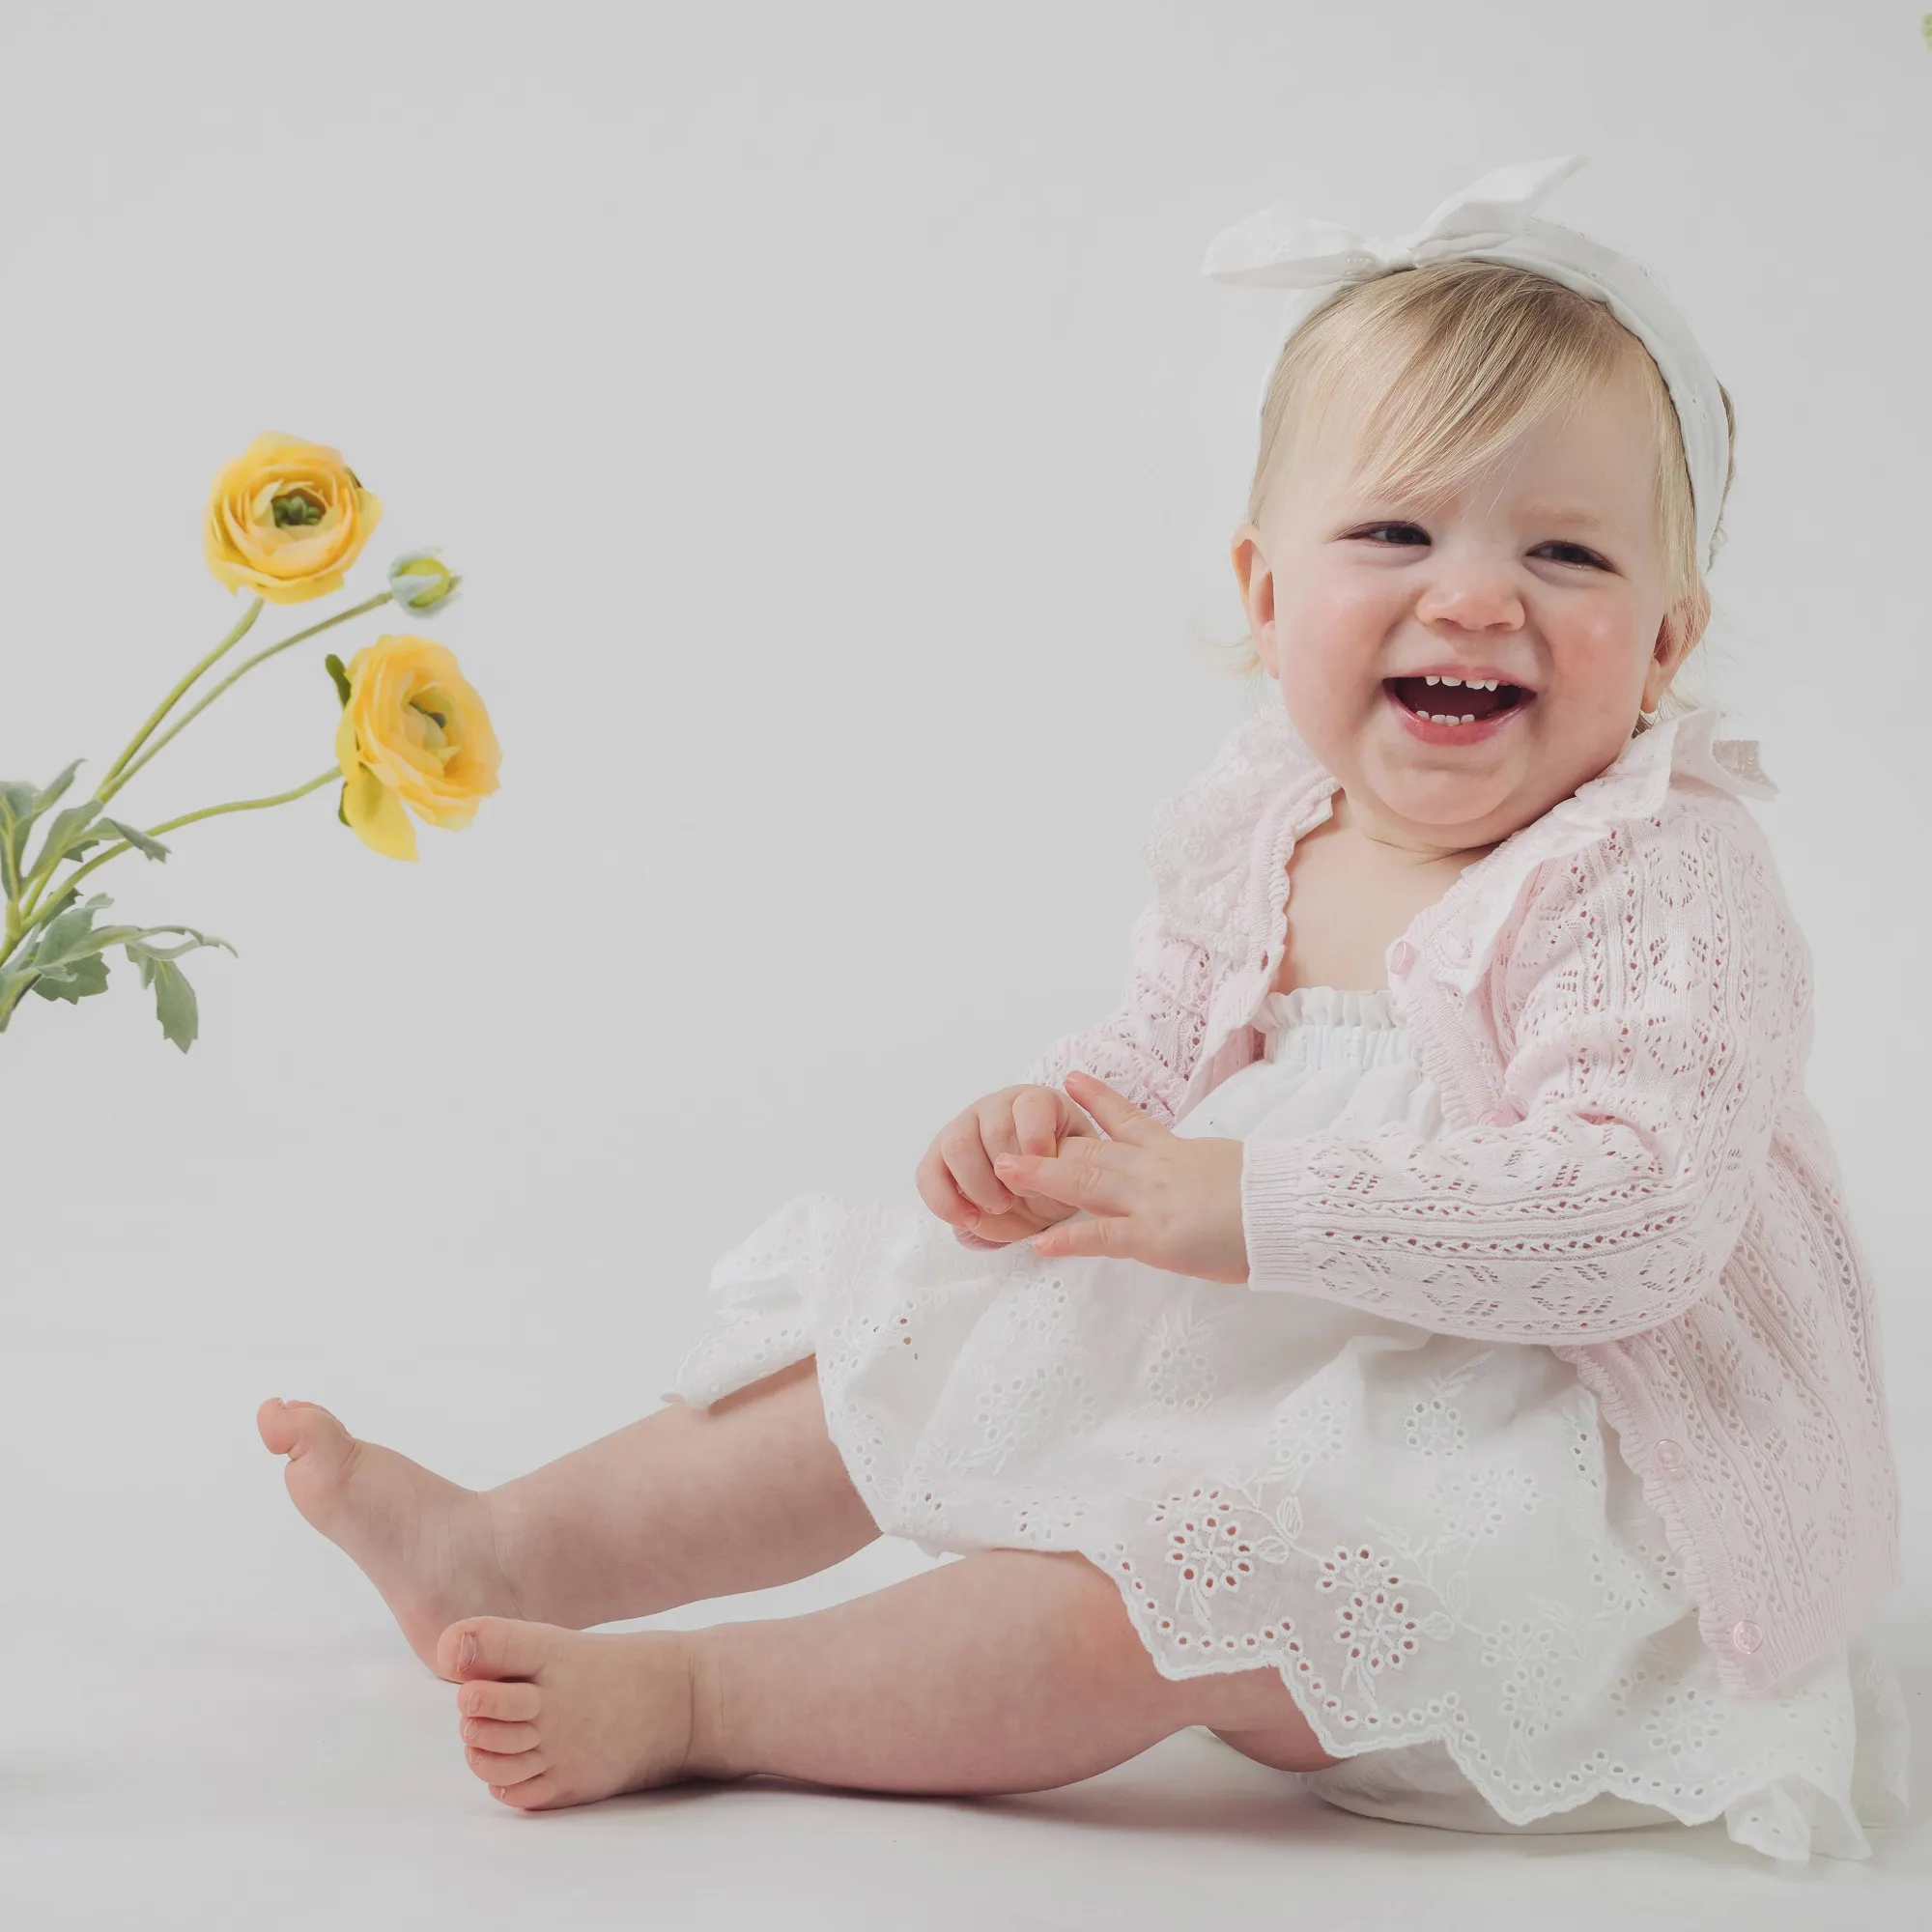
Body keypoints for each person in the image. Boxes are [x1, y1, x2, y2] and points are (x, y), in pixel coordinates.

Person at [258, 156, 1908, 1862]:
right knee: (925, 1308)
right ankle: (512, 1552)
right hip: (1299, 1360)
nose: (1476, 597)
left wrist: (1243, 1202)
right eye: (1397, 532)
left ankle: (701, 1700)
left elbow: (1632, 1218)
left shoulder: (1652, 879)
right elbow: (1159, 1049)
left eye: (1565, 552)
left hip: (1548, 1533)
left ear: (1664, 641)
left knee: (1169, 1585)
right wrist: (1051, 1132)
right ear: (1270, 593)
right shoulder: (1269, 817)